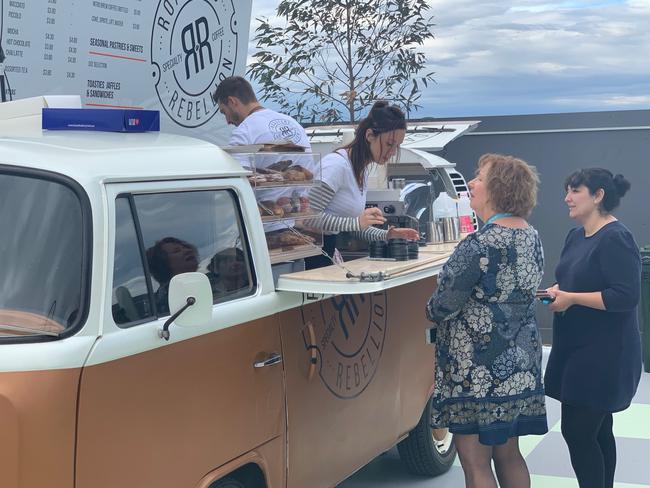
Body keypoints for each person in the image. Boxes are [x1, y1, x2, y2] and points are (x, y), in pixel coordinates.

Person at [425, 154, 548, 488]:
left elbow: (442, 305)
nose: (472, 183)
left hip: (476, 369)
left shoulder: (479, 245)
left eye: (479, 177)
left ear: (498, 188)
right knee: (509, 454)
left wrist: (429, 311)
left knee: (475, 462)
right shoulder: (531, 236)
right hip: (519, 364)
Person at [544, 168, 642, 488]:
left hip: (605, 354)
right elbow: (577, 279)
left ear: (598, 195)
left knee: (577, 431)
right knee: (598, 430)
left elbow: (625, 296)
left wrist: (571, 298)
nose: (566, 198)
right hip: (577, 347)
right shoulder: (576, 235)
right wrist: (560, 290)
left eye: (575, 191)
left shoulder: (617, 238)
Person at [304, 101, 419, 269]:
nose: (393, 152)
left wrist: (388, 235)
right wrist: (357, 223)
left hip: (324, 250)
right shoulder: (336, 166)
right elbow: (307, 218)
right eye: (389, 144)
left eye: (397, 146)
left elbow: (355, 226)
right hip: (309, 255)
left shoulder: (359, 170)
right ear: (369, 135)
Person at [213, 76, 311, 149]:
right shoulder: (294, 124)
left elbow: (238, 176)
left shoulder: (243, 134)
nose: (228, 121)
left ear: (232, 102)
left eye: (224, 112)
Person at [146, 237, 199, 315]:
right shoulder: (168, 297)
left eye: (186, 248)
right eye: (176, 251)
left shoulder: (198, 281)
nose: (188, 251)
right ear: (163, 265)